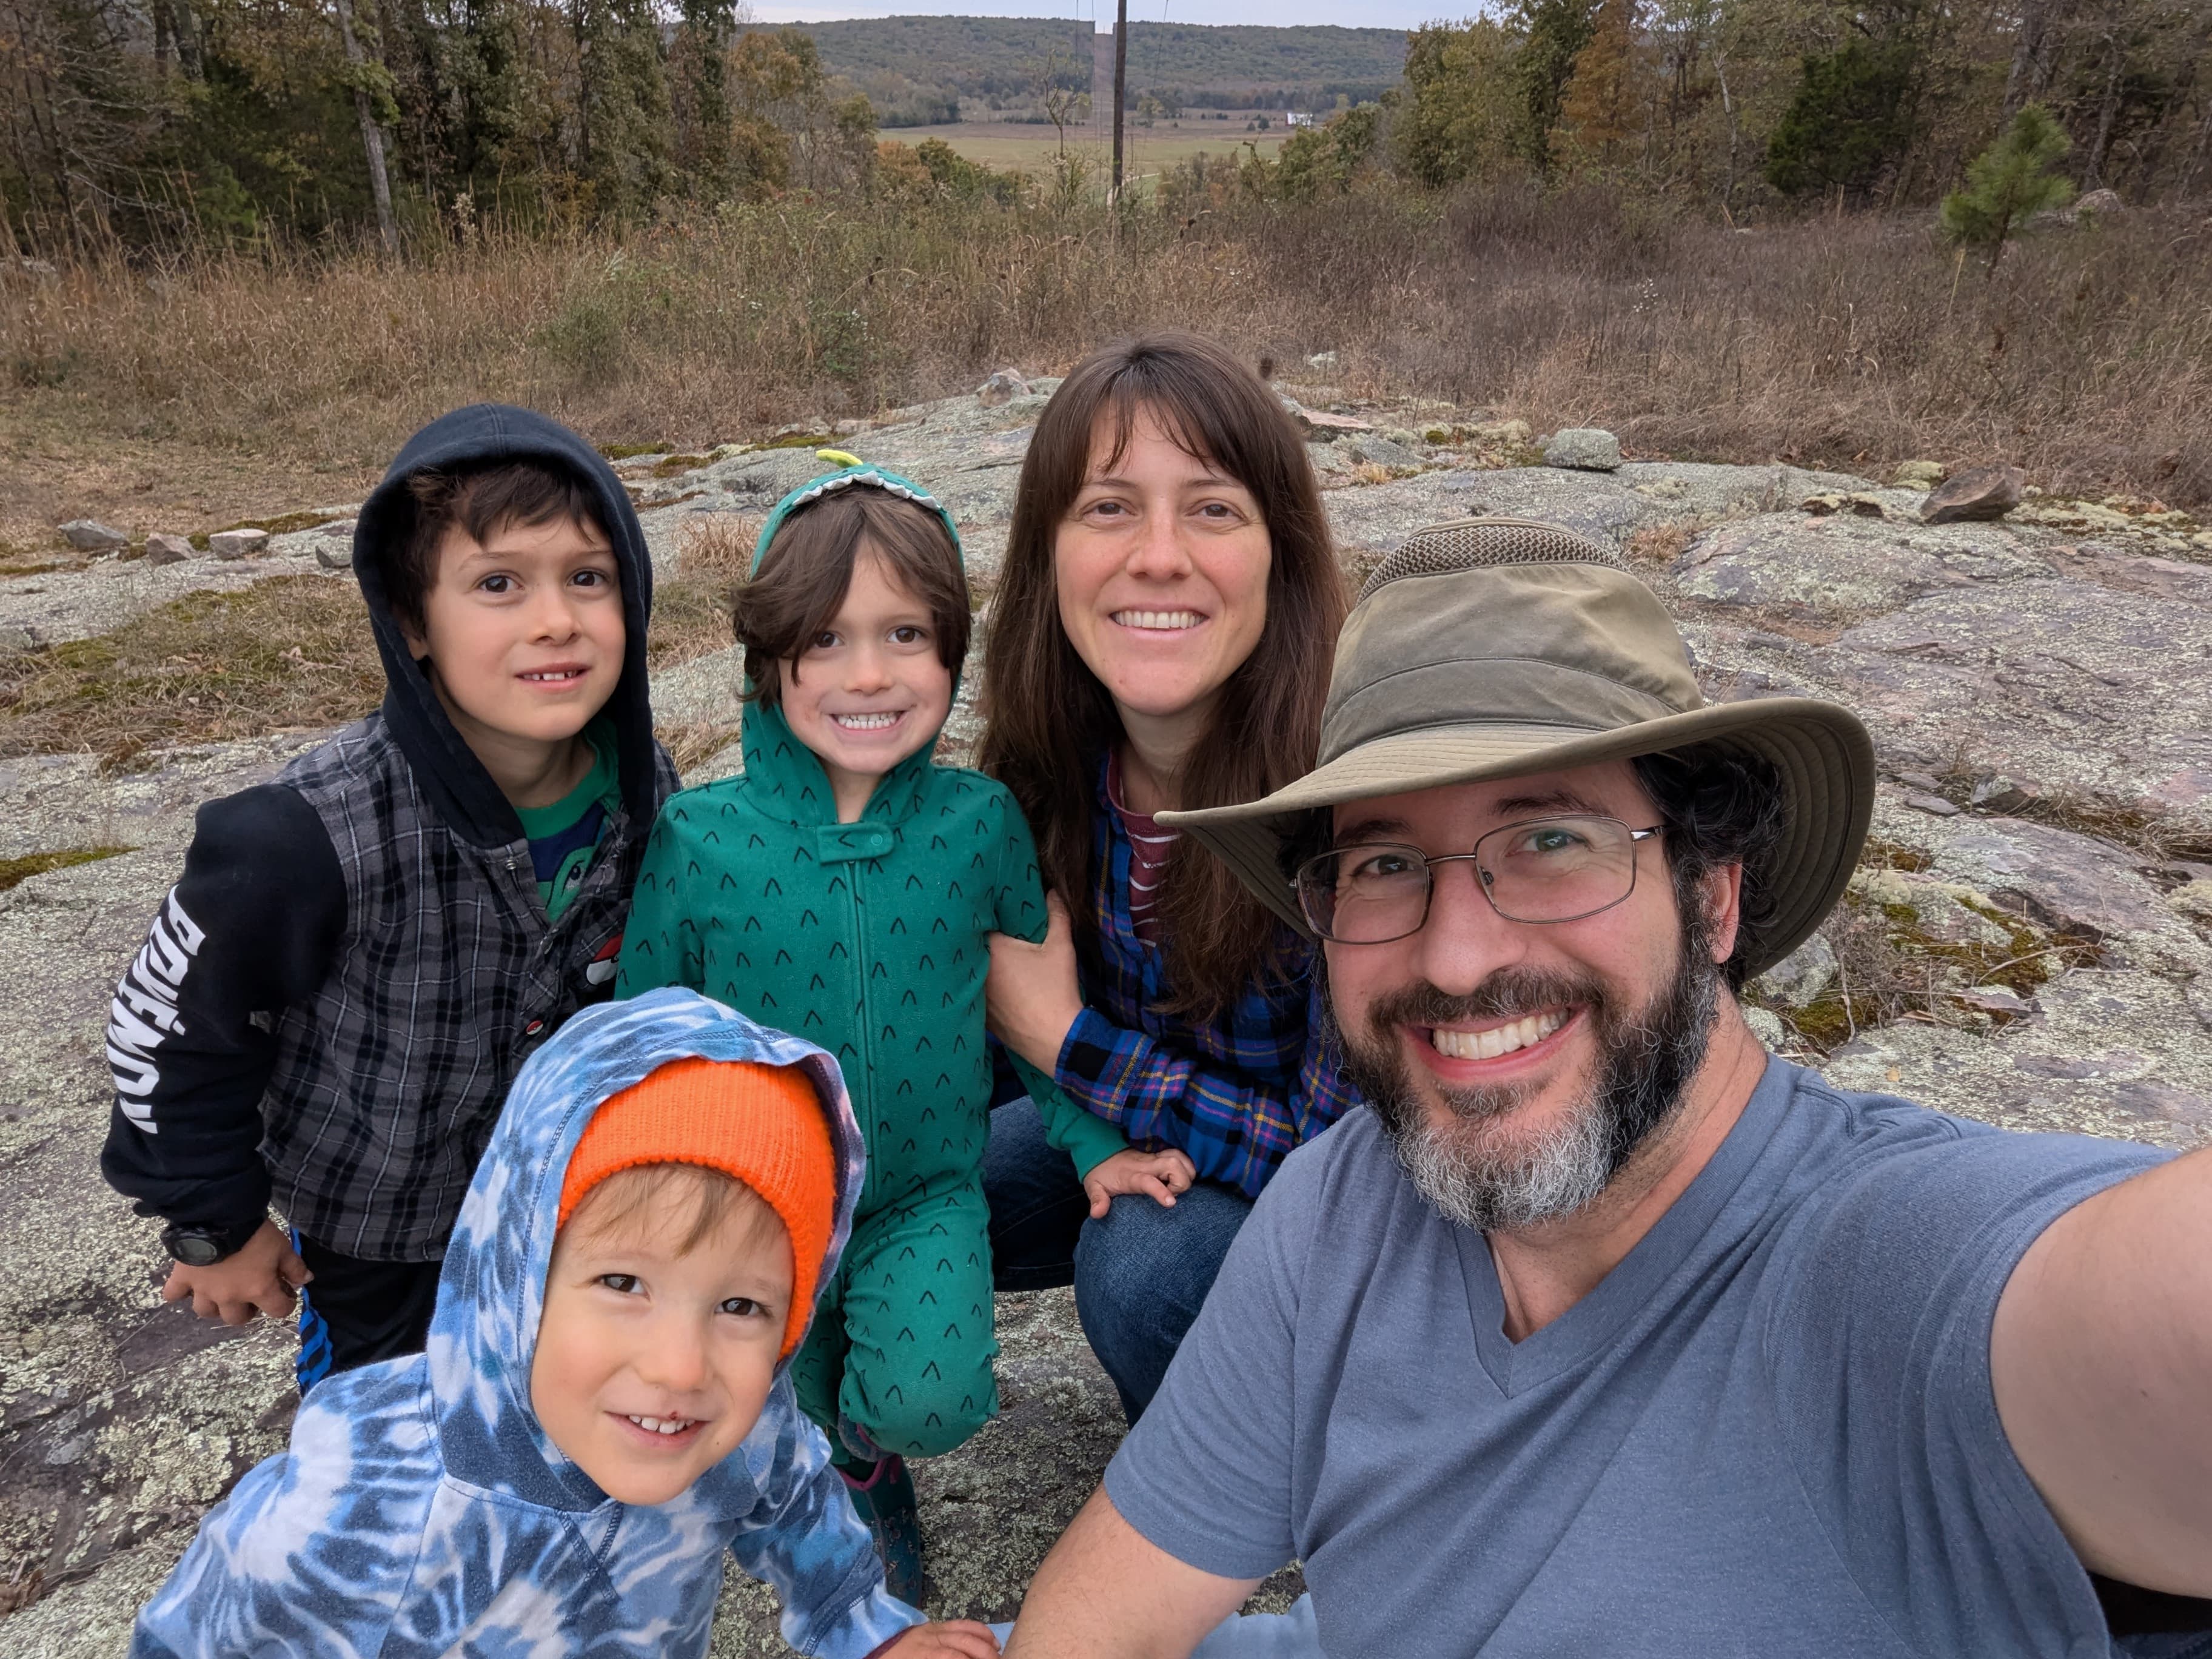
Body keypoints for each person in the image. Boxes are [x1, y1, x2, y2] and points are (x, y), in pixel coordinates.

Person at [1004, 518, 2212, 1657]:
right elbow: (1107, 1611)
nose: (1456, 957)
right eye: (1382, 862)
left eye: (1552, 841)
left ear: (1714, 896)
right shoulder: (1342, 1207)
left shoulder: (1898, 1270)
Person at [615, 463, 1178, 1600]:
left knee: (938, 1396)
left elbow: (1033, 1023)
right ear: (768, 662)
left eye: (907, 634)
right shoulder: (701, 837)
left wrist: (1090, 1145)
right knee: (757, 1388)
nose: (868, 674)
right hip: (754, 1208)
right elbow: (643, 1033)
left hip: (923, 1191)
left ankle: (862, 1453)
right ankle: (828, 1475)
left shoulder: (981, 825)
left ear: (952, 654)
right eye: (824, 641)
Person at [130, 988, 1000, 1659]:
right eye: (624, 1281)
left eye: (742, 1306)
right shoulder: (365, 1507)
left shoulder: (737, 1422)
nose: (679, 1366)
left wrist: (862, 1626)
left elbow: (797, 1496)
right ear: (518, 1269)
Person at [99, 404, 677, 1392]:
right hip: (375, 1245)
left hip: (566, 1210)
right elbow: (168, 1032)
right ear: (411, 621)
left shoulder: (646, 788)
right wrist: (215, 1224)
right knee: (388, 1466)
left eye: (589, 577)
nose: (557, 618)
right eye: (499, 583)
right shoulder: (300, 834)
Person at [977, 332, 1359, 1421]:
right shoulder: (1047, 771)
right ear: (1046, 554)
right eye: (1108, 508)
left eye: (1212, 508)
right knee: (920, 1177)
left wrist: (1067, 1045)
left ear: (1278, 551)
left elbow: (1339, 1170)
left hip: (1315, 1202)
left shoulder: (1343, 803)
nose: (1157, 556)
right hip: (1142, 1123)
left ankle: (1272, 1470)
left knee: (1145, 1272)